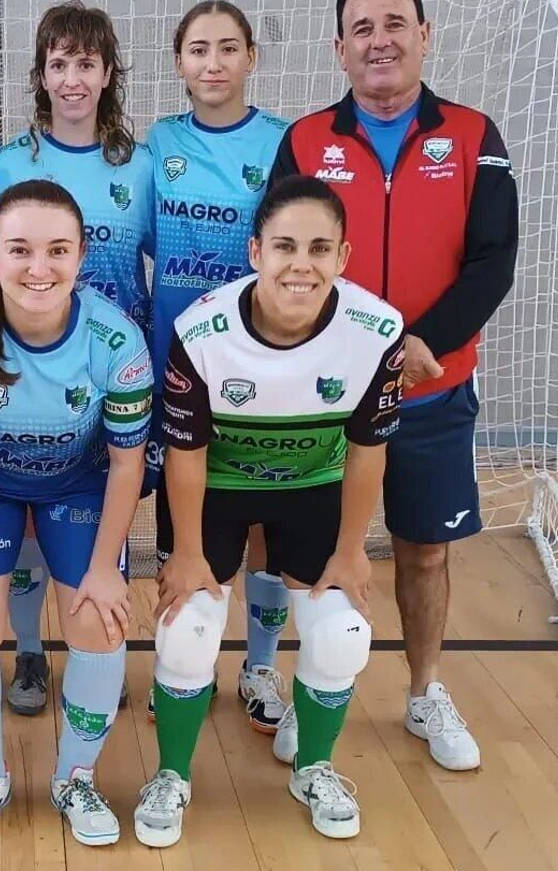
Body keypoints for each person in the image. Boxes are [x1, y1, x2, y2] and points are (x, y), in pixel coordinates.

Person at [269, 0, 518, 773]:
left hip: (431, 384)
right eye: (363, 28)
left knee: (425, 550)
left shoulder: (476, 136)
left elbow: (492, 263)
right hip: (323, 393)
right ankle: (312, 699)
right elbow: (287, 261)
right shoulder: (307, 140)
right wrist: (335, 350)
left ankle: (424, 691)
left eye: (395, 23)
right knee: (313, 554)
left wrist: (423, 343)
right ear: (340, 49)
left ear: (424, 34)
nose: (380, 39)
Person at [134, 175, 402, 845]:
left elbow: (368, 451)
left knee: (343, 633)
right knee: (188, 627)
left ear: (344, 255)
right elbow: (188, 452)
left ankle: (314, 766)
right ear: (255, 251)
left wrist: (350, 550)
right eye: (284, 245)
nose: (300, 264)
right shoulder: (201, 330)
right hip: (218, 483)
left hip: (314, 484)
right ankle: (172, 775)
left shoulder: (378, 329)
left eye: (319, 247)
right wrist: (189, 552)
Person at [0, 180, 152, 847]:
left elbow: (128, 463)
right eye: (19, 249)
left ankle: (74, 776)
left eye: (57, 250)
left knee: (100, 620)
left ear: (82, 256)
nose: (39, 267)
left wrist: (111, 570)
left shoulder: (116, 338)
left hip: (78, 485)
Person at [0, 0, 153, 716]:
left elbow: (160, 272)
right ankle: (28, 653)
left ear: (108, 72)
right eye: (59, 63)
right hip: (24, 376)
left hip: (106, 381)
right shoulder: (4, 164)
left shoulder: (140, 167)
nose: (73, 78)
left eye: (86, 63)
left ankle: (95, 646)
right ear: (41, 74)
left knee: (97, 515)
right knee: (22, 517)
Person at [146, 0, 293, 731]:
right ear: (179, 62)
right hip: (176, 359)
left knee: (263, 518)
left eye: (227, 47)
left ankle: (260, 663)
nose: (212, 62)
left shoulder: (281, 143)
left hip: (258, 361)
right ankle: (180, 661)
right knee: (182, 515)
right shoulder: (156, 143)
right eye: (198, 49)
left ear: (250, 58)